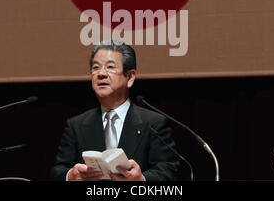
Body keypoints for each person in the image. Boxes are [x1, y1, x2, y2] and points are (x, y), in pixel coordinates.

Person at [50, 40, 179, 181]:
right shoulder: (76, 125)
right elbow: (57, 172)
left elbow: (169, 172)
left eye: (110, 67)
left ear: (129, 77)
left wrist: (142, 180)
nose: (101, 74)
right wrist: (70, 176)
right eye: (96, 67)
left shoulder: (154, 123)